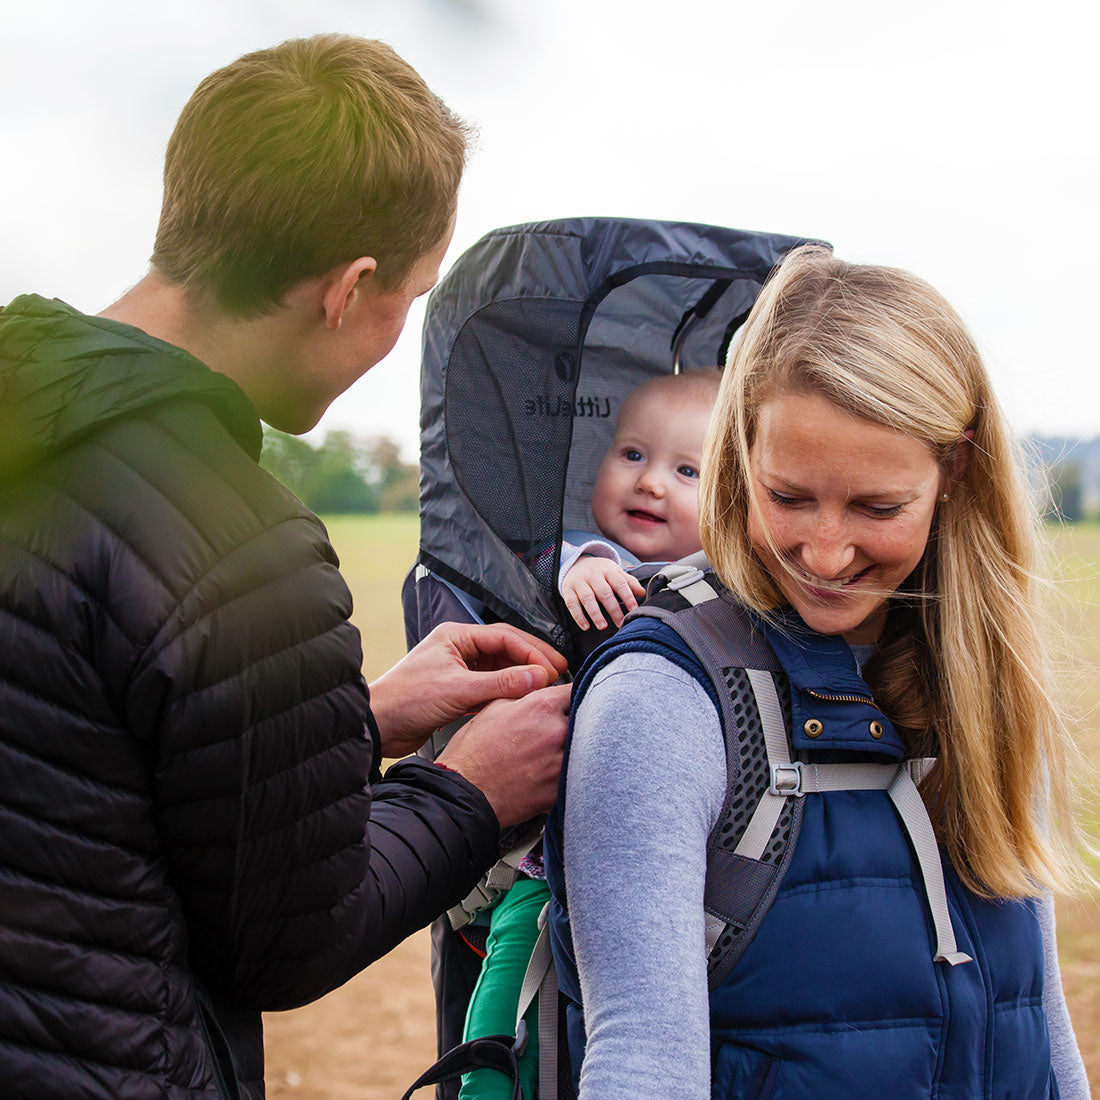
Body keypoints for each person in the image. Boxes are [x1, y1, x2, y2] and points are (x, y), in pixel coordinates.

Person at [0, 34, 571, 1100]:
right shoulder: (238, 544)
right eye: (412, 295)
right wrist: (469, 790)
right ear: (349, 288)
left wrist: (352, 720)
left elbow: (85, 774)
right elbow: (287, 939)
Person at [546, 246, 1092, 1098]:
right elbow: (644, 1060)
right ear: (740, 455)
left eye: (878, 507)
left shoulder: (988, 682)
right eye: (789, 497)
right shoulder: (661, 696)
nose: (826, 553)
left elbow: (1041, 1021)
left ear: (956, 469)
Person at [458, 368, 720, 1100]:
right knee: (504, 1016)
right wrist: (579, 571)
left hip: (694, 871)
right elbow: (561, 564)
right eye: (632, 454)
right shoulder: (591, 560)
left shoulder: (735, 581)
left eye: (688, 471)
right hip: (550, 872)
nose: (651, 483)